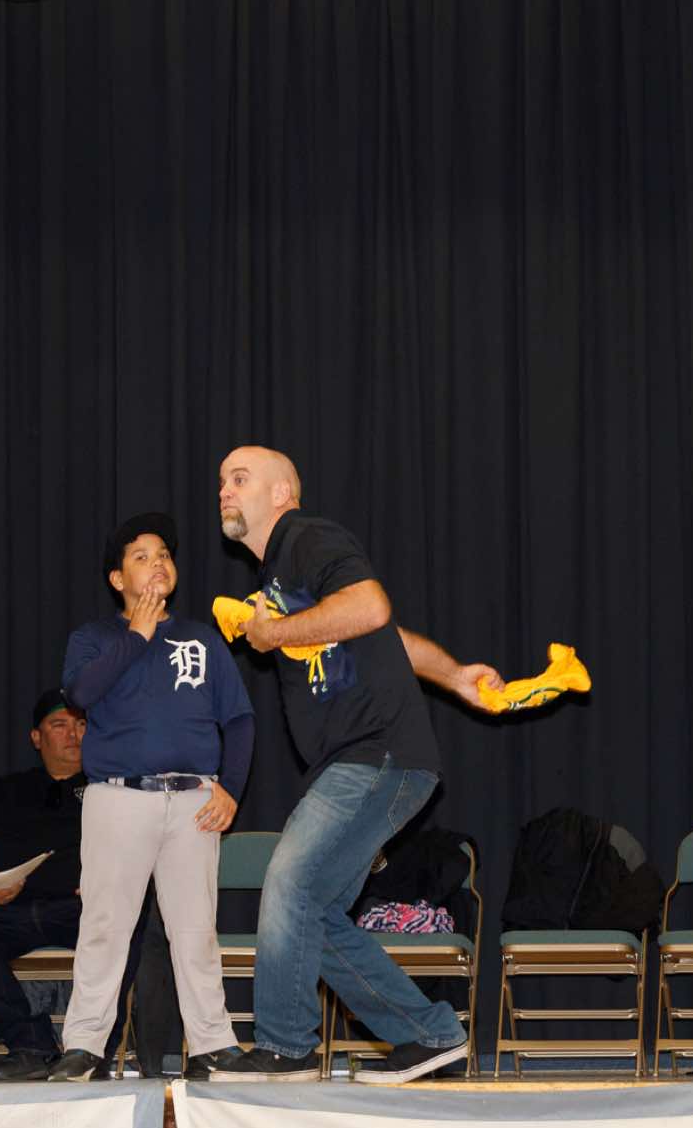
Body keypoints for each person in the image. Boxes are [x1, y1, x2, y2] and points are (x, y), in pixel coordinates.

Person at [210, 445, 506, 1085]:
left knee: (289, 883)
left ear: (282, 493)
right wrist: (454, 674)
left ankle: (285, 1047)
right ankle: (429, 1035)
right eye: (222, 481)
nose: (225, 490)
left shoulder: (304, 536)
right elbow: (383, 636)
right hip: (365, 759)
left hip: (377, 753)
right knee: (311, 913)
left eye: (240, 478)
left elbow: (369, 607)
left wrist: (271, 634)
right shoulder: (280, 578)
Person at [41, 513, 254, 1082]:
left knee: (195, 929)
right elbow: (81, 692)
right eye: (141, 556)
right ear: (117, 579)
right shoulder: (94, 638)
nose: (157, 562)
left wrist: (231, 788)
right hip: (119, 797)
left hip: (193, 798)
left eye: (164, 554)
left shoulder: (201, 638)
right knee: (105, 925)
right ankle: (85, 1044)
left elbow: (239, 718)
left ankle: (213, 1043)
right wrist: (137, 635)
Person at [0, 688, 151, 1080]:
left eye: (82, 725)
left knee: (126, 914)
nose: (73, 735)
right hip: (11, 908)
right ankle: (31, 1042)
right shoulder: (7, 789)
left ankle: (96, 1052)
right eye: (59, 725)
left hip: (82, 908)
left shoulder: (113, 788)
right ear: (37, 737)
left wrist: (107, 881)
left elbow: (142, 846)